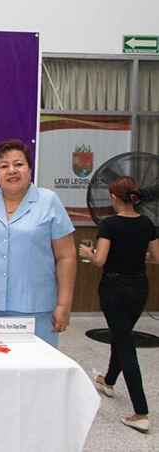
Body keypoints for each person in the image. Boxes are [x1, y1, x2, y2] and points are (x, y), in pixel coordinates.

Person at [0, 139, 76, 348]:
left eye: (18, 164)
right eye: (4, 166)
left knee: (37, 365)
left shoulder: (49, 201)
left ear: (30, 170)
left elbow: (66, 257)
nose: (12, 170)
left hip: (36, 309)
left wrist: (64, 304)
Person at [79, 176, 159, 433]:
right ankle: (109, 380)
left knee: (125, 345)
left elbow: (100, 260)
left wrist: (88, 253)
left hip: (114, 288)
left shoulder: (109, 224)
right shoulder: (146, 223)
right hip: (139, 288)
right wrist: (134, 254)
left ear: (113, 197)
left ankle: (141, 412)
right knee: (120, 333)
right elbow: (156, 257)